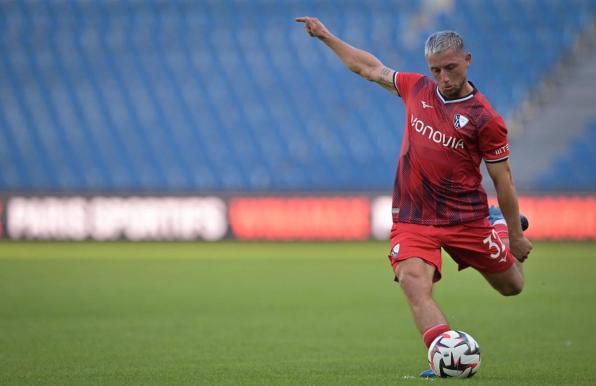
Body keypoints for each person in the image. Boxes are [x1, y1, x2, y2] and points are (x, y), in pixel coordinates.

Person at [295, 17, 533, 377]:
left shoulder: (486, 120)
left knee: (512, 286)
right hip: (414, 218)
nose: (444, 78)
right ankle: (445, 359)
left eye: (451, 68)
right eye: (436, 70)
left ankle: (496, 225)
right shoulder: (416, 87)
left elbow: (505, 182)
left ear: (468, 60)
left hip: (467, 219)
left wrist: (514, 235)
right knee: (412, 281)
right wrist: (327, 37)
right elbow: (368, 67)